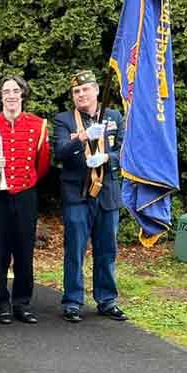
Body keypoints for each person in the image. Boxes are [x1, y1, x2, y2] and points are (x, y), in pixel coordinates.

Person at [0, 76, 51, 325]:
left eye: (15, 90)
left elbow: (42, 164)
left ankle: (22, 303)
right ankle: (1, 304)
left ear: (22, 94)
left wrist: (26, 183)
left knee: (24, 251)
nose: (11, 95)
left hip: (26, 194)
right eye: (6, 91)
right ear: (0, 96)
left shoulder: (38, 125)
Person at [53, 70, 127, 323]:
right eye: (76, 91)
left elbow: (126, 152)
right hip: (78, 193)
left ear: (96, 90)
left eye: (85, 89)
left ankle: (107, 300)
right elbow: (60, 152)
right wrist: (83, 137)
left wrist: (107, 158)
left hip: (107, 192)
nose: (81, 94)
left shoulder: (114, 117)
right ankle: (73, 302)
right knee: (75, 249)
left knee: (107, 250)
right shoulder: (64, 120)